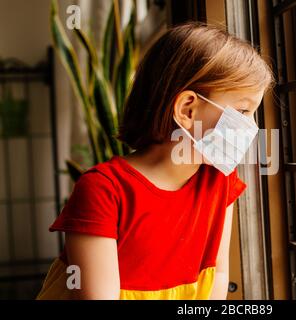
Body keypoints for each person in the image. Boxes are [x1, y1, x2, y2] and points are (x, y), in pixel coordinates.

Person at [36, 22, 274, 300]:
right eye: (244, 110)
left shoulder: (222, 182)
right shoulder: (102, 190)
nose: (252, 127)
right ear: (188, 109)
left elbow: (218, 276)